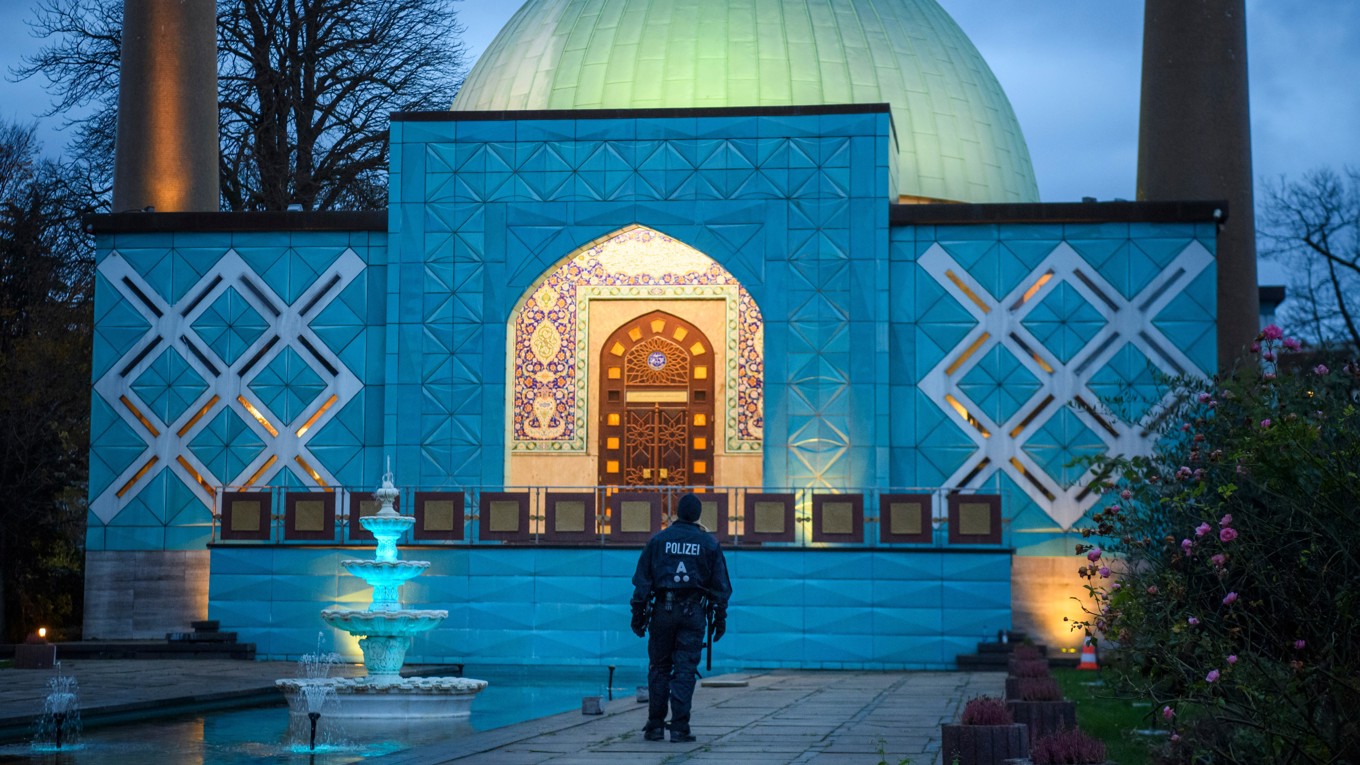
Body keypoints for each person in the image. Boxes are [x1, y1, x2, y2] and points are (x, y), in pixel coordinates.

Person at [630, 492, 732, 742]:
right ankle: (679, 728)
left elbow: (642, 581)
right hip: (693, 613)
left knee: (659, 668)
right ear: (697, 515)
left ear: (677, 512)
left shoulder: (658, 540)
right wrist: (719, 620)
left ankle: (654, 726)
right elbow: (721, 587)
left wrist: (638, 616)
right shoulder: (709, 544)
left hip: (662, 612)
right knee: (685, 670)